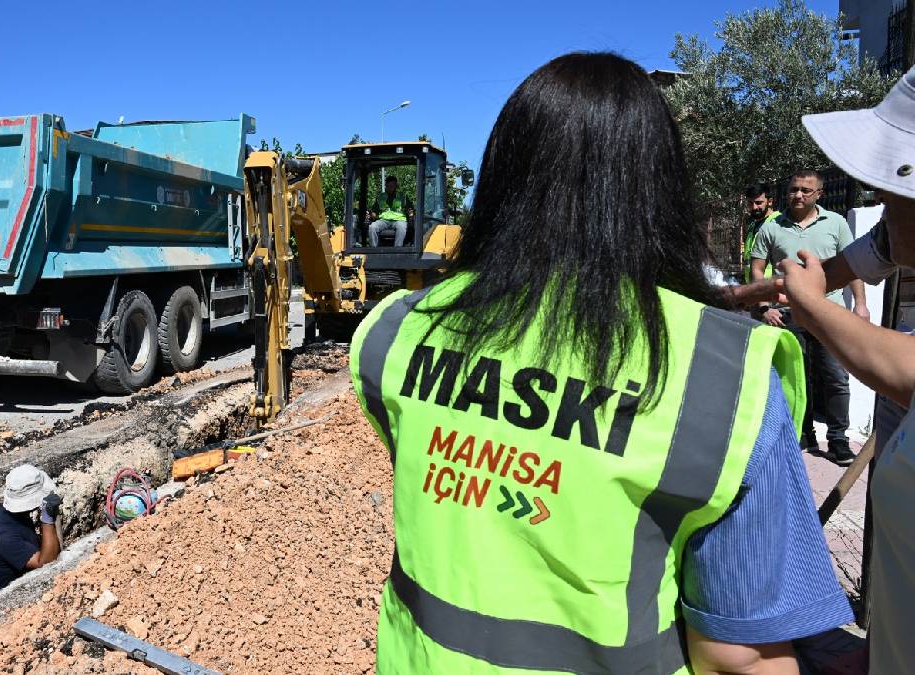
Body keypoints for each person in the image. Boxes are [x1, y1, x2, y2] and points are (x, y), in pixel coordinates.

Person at [350, 52, 851, 675]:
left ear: (503, 175)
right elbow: (740, 656)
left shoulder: (399, 331)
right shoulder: (719, 377)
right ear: (657, 187)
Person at [777, 65, 915, 674]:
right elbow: (842, 266)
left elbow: (905, 368)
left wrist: (813, 310)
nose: (880, 201)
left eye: (892, 187)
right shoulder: (893, 236)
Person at [750, 170, 868, 465]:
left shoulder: (836, 223)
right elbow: (757, 269)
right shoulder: (772, 227)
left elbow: (852, 265)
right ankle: (804, 435)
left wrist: (861, 305)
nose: (798, 195)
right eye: (793, 190)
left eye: (805, 190)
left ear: (819, 194)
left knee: (836, 377)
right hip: (788, 314)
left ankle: (838, 440)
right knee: (796, 378)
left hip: (830, 314)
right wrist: (764, 307)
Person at [0, 464, 63, 594]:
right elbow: (46, 563)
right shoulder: (4, 537)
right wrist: (47, 519)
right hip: (10, 601)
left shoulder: (16, 516)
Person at [743, 181, 779, 282]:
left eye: (758, 203)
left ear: (770, 201)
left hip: (771, 286)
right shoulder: (752, 225)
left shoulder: (778, 223)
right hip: (754, 285)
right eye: (750, 203)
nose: (754, 207)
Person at [368, 176, 412, 247]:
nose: (390, 188)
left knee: (401, 227)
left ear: (396, 186)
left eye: (392, 186)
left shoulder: (403, 196)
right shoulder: (380, 197)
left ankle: (397, 249)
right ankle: (374, 249)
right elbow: (374, 212)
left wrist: (411, 215)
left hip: (399, 220)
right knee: (372, 227)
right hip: (383, 220)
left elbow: (410, 210)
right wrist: (371, 214)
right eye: (388, 186)